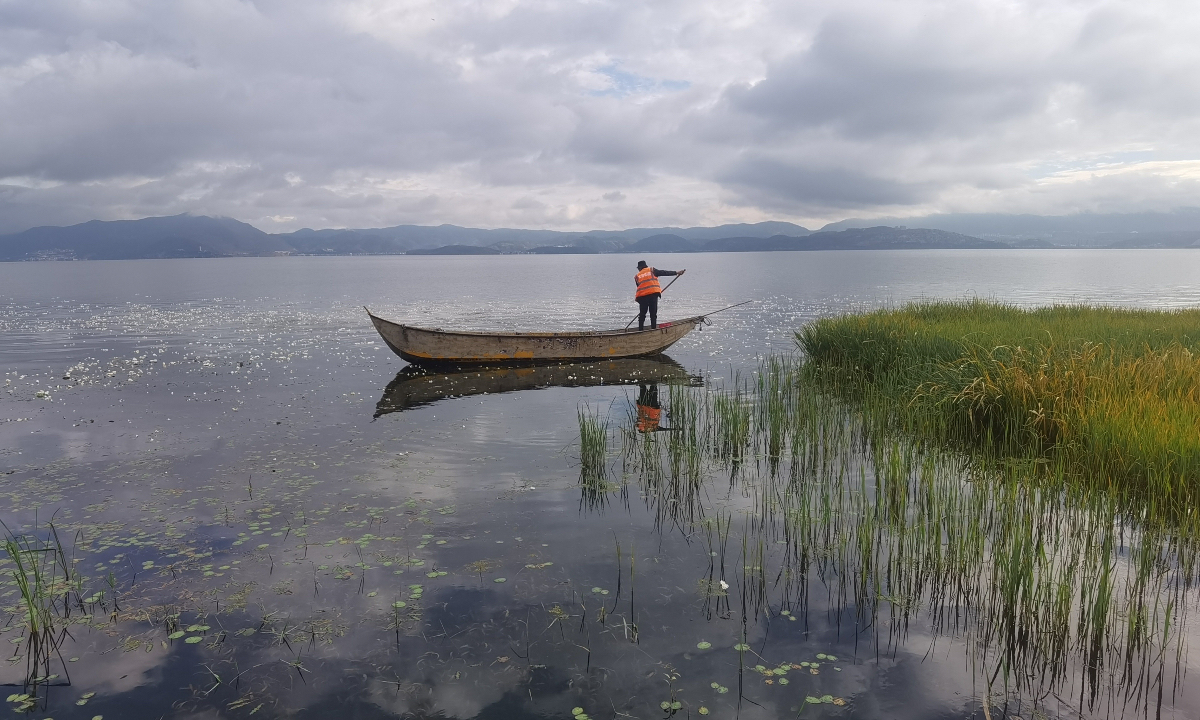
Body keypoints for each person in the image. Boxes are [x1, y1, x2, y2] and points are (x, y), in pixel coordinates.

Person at [634, 260, 685, 330]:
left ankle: (640, 330)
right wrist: (676, 272)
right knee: (653, 314)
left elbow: (639, 286)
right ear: (645, 266)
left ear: (639, 268)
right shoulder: (651, 270)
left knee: (642, 314)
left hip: (642, 297)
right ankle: (653, 329)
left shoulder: (637, 276)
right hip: (653, 295)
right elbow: (664, 272)